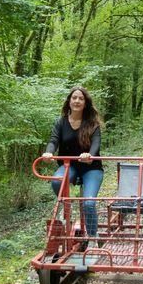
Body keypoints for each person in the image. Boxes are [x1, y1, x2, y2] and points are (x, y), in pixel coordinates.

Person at [42, 86, 104, 243]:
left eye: (81, 98)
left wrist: (90, 155)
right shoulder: (61, 122)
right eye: (74, 97)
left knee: (88, 204)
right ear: (69, 101)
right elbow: (53, 140)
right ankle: (66, 206)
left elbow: (96, 145)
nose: (77, 101)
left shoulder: (92, 124)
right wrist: (49, 152)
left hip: (91, 168)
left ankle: (93, 238)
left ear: (85, 103)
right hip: (70, 166)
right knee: (57, 180)